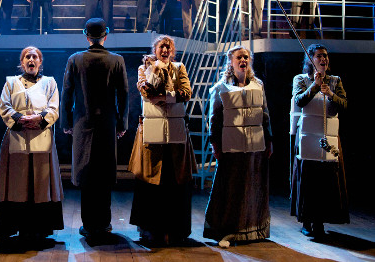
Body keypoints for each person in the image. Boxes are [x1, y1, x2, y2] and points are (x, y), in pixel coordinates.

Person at [61, 18, 128, 238]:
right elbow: (124, 94)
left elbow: (67, 94)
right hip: (108, 124)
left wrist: (66, 122)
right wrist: (122, 122)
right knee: (104, 174)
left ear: (86, 36)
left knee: (86, 173)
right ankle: (104, 223)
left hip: (82, 123)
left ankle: (89, 224)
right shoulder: (117, 60)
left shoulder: (74, 59)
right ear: (105, 35)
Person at [128, 35, 196, 246]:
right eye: (161, 46)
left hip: (175, 134)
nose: (165, 50)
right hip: (152, 133)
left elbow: (186, 93)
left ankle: (176, 230)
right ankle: (150, 229)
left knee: (175, 180)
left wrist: (165, 97)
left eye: (168, 47)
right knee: (151, 180)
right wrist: (155, 72)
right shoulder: (144, 68)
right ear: (155, 49)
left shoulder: (179, 67)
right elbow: (145, 91)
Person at [203, 45, 272, 247]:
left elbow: (265, 114)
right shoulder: (221, 88)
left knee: (253, 186)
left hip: (255, 146)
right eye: (239, 57)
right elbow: (214, 119)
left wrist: (269, 140)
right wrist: (215, 144)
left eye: (246, 57)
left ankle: (254, 229)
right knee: (231, 188)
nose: (243, 60)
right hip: (231, 146)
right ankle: (227, 229)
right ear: (231, 62)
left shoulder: (258, 85)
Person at [0, 46, 63, 244]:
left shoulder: (49, 83)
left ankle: (39, 229)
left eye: (35, 57)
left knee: (40, 181)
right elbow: (4, 105)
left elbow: (54, 107)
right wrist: (20, 118)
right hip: (17, 137)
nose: (31, 60)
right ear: (22, 62)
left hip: (41, 136)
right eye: (27, 57)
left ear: (40, 62)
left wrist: (39, 118)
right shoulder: (11, 83)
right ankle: (15, 226)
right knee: (16, 182)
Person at [290, 44, 348, 238]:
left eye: (326, 56)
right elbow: (299, 101)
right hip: (307, 135)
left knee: (326, 180)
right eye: (319, 56)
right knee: (309, 179)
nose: (324, 59)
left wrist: (330, 94)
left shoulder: (335, 81)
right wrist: (315, 86)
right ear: (311, 60)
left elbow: (344, 105)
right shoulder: (301, 79)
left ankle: (320, 221)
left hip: (328, 135)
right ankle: (307, 221)